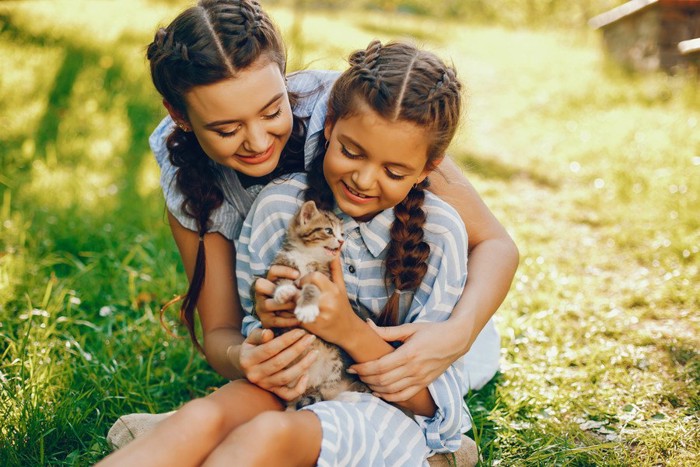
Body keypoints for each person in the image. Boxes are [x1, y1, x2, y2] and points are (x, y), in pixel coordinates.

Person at [107, 0, 518, 456]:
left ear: (286, 83)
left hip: (417, 333)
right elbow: (222, 329)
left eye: (271, 111)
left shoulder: (363, 120)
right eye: (226, 129)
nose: (259, 142)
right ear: (180, 116)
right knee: (220, 418)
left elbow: (496, 243)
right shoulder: (196, 177)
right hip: (306, 352)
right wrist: (249, 355)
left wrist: (457, 334)